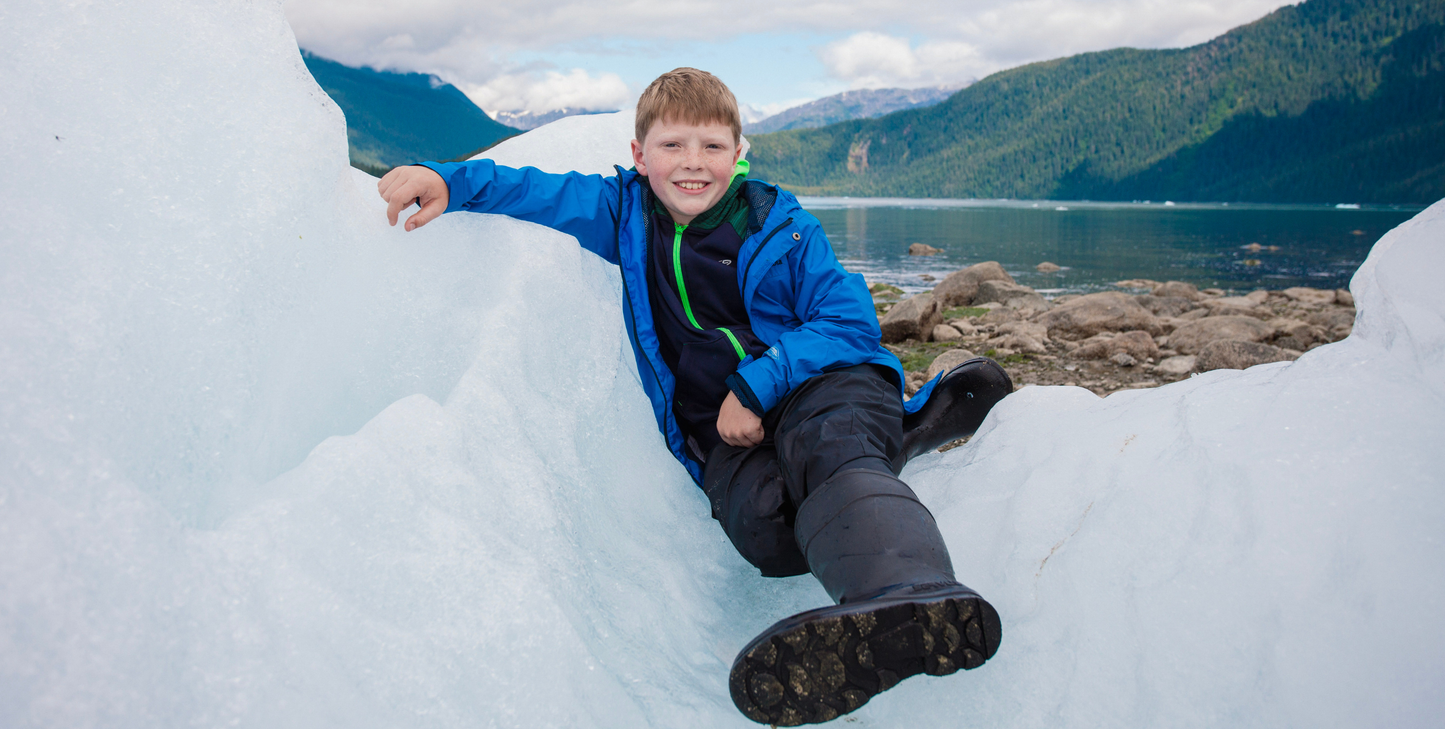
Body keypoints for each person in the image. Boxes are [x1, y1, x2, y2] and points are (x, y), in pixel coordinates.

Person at [377, 67, 1012, 726]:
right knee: (765, 530)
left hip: (819, 384)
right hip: (725, 432)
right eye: (673, 146)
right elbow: (535, 191)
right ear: (639, 156)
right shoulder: (623, 214)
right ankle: (903, 436)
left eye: (711, 146)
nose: (692, 164)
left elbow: (848, 322)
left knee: (832, 443)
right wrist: (448, 179)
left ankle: (912, 591)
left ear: (738, 154)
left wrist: (755, 383)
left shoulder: (779, 224)